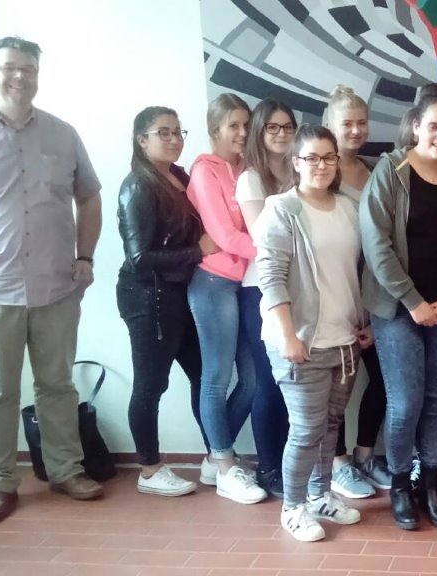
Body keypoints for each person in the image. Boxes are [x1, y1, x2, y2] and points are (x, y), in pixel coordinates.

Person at [0, 36, 104, 524]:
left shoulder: (63, 133)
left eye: (29, 68)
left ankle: (65, 470)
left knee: (57, 385)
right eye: (10, 67)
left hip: (56, 286)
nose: (20, 76)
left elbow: (89, 196)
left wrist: (85, 256)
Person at [360, 87, 437, 530]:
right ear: (415, 126)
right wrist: (414, 302)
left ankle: (430, 482)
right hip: (397, 309)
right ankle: (400, 485)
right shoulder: (390, 171)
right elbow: (377, 245)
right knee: (406, 402)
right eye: (434, 126)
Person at [255, 125, 368, 542]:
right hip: (300, 340)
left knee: (330, 424)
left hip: (343, 339)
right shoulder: (281, 209)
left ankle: (321, 496)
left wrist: (365, 321)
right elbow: (271, 276)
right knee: (305, 429)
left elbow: (358, 270)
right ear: (297, 163)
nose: (321, 165)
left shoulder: (348, 207)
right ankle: (293, 507)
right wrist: (289, 336)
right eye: (312, 158)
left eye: (328, 157)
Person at [117, 106, 217, 497]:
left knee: (204, 376)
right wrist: (198, 251)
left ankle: (216, 457)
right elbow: (139, 258)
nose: (174, 139)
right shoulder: (138, 187)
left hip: (180, 293)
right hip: (148, 298)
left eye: (178, 132)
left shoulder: (178, 176)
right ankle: (149, 469)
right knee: (151, 385)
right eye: (164, 132)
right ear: (142, 139)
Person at [187, 93, 265, 504]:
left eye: (246, 124)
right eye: (233, 125)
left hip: (242, 285)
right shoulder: (205, 170)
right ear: (214, 130)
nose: (242, 132)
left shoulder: (246, 169)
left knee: (253, 380)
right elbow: (223, 235)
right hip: (213, 283)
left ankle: (217, 456)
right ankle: (224, 465)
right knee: (216, 379)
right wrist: (275, 252)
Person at [324, 85, 393, 497]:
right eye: (346, 123)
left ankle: (365, 455)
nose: (355, 130)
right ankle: (337, 465)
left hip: (374, 295)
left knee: (384, 380)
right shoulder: (321, 173)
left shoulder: (375, 169)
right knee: (334, 390)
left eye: (361, 122)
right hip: (335, 294)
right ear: (330, 125)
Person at [236, 98, 297, 499]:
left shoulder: (300, 169)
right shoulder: (251, 179)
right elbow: (264, 238)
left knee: (293, 382)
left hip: (298, 287)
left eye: (287, 127)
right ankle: (268, 466)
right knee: (268, 382)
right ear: (259, 132)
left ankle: (292, 466)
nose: (280, 134)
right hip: (260, 288)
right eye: (272, 127)